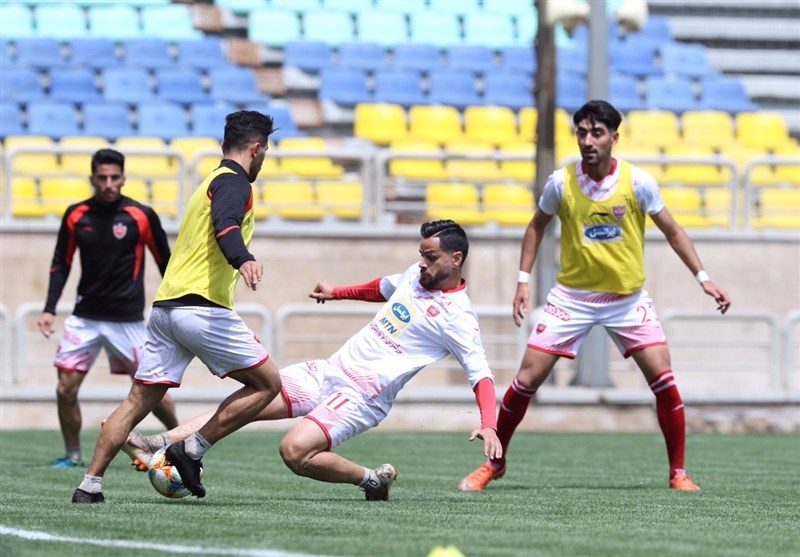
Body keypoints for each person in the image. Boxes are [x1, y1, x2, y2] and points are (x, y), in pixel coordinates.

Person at [458, 100, 732, 493]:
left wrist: (703, 278)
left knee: (665, 381)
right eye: (582, 133)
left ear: (614, 138)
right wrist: (522, 280)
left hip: (627, 299)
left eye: (597, 133)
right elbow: (536, 227)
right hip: (572, 298)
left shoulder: (638, 182)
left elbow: (673, 231)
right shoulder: (561, 183)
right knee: (525, 379)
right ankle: (494, 464)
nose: (588, 141)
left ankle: (678, 473)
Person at [120, 220, 502, 501]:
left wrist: (488, 424)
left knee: (293, 451)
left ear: (456, 259)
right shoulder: (415, 276)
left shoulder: (458, 317)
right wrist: (337, 292)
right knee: (254, 394)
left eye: (430, 257)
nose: (421, 263)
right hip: (329, 371)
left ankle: (371, 479)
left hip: (362, 397)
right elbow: (382, 288)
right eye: (420, 255)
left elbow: (481, 375)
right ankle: (160, 442)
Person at [72, 110, 283, 503]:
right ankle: (191, 449)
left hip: (166, 309)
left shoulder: (208, 182)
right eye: (266, 152)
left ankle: (89, 486)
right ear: (256, 149)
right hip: (201, 309)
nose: (264, 159)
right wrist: (243, 258)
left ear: (223, 145)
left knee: (136, 402)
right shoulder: (234, 183)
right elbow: (226, 224)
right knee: (269, 384)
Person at [38, 148, 178, 469]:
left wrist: (175, 307)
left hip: (128, 322)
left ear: (124, 178)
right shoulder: (76, 215)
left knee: (155, 393)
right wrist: (49, 309)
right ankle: (72, 455)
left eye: (115, 177)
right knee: (65, 388)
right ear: (92, 179)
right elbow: (61, 263)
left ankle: (180, 442)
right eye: (102, 178)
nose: (109, 184)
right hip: (84, 319)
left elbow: (166, 263)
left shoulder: (141, 215)